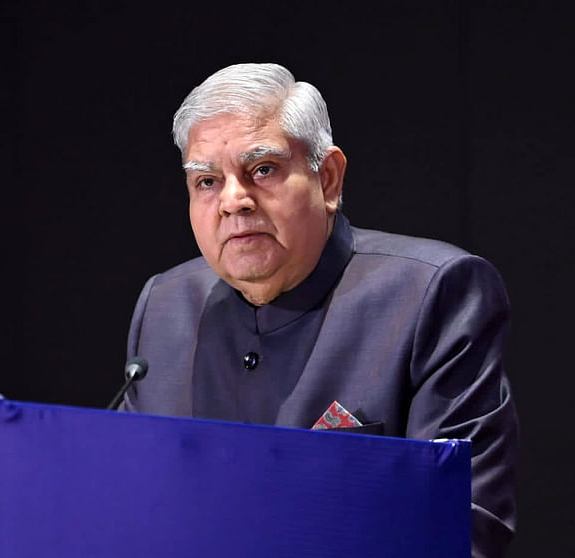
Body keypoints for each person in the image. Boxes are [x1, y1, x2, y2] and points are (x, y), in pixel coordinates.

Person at [121, 63, 518, 558]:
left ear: (327, 179)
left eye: (261, 170)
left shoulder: (430, 293)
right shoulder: (165, 306)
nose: (233, 201)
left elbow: (463, 525)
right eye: (206, 181)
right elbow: (125, 505)